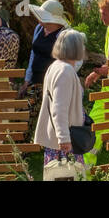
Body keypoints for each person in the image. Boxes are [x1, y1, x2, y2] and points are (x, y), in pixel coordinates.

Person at [35, 29, 87, 178]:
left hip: (58, 138)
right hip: (64, 142)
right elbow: (59, 108)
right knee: (68, 175)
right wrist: (64, 138)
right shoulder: (65, 71)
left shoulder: (56, 66)